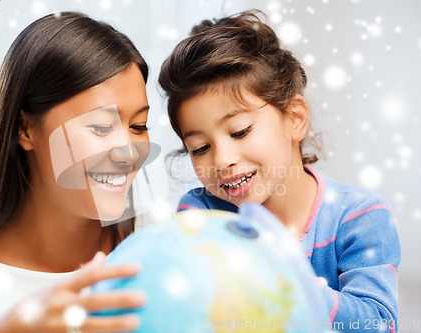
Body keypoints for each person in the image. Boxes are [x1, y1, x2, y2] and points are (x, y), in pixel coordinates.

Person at [159, 11, 401, 333]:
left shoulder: (360, 217)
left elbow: (378, 324)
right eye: (200, 148)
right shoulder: (202, 213)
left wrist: (285, 283)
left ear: (295, 118)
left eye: (240, 131)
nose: (222, 159)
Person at [0, 11, 152, 333]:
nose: (129, 153)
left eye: (139, 126)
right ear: (25, 129)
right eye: (101, 127)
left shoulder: (165, 245)